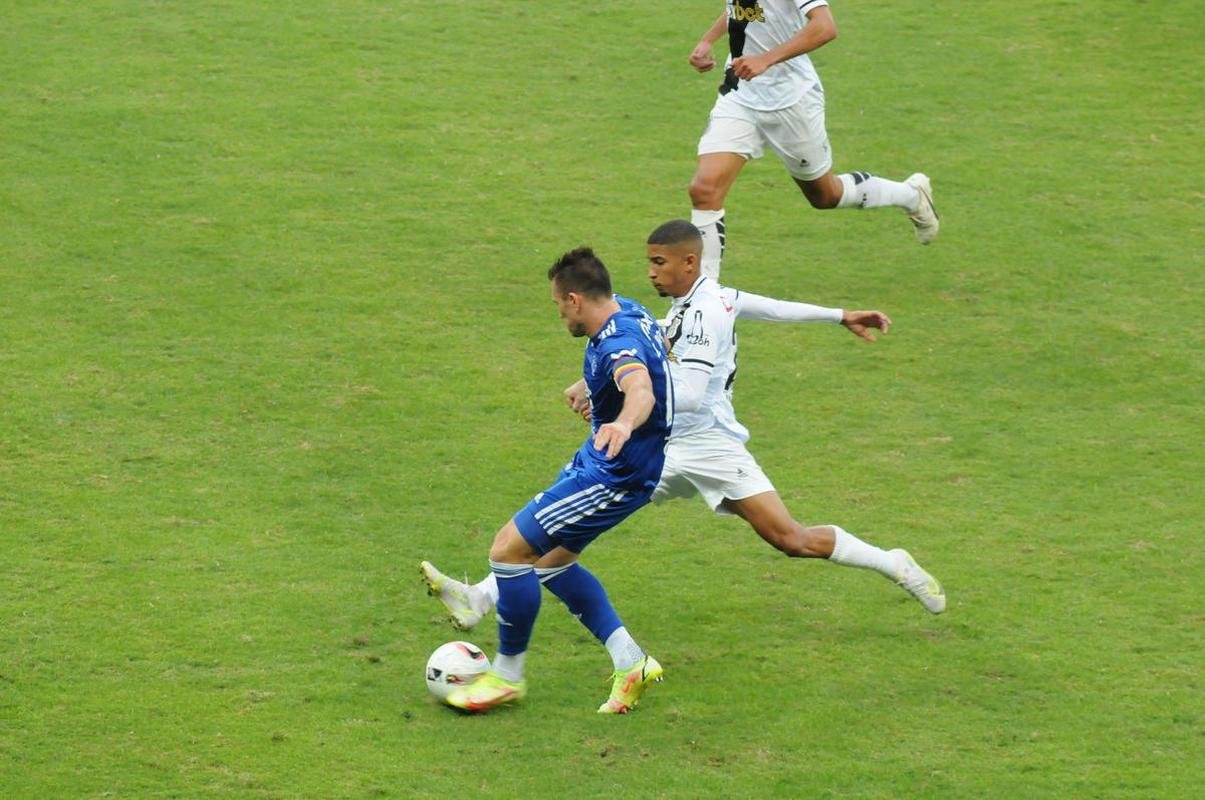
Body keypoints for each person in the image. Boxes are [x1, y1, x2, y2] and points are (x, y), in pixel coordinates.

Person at [422, 222, 944, 659]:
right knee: (564, 534)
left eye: (659, 263)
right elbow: (770, 306)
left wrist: (619, 403)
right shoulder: (707, 297)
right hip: (662, 448)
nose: (650, 272)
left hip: (706, 446)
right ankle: (481, 599)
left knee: (790, 539)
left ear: (688, 263)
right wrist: (838, 315)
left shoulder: (703, 314)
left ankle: (891, 561)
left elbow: (686, 395)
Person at [430, 246, 673, 714]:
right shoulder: (631, 311)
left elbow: (640, 385)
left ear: (576, 299)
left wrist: (623, 422)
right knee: (549, 564)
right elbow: (659, 348)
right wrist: (593, 386)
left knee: (509, 552)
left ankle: (506, 675)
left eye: (559, 304)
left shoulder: (616, 341)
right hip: (609, 463)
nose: (559, 314)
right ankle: (631, 662)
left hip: (614, 472)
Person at [687, 1, 939, 279]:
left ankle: (911, 196)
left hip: (792, 101)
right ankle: (703, 299)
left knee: (825, 195)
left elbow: (825, 26)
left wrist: (766, 59)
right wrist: (708, 40)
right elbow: (742, 7)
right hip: (740, 95)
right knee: (704, 190)